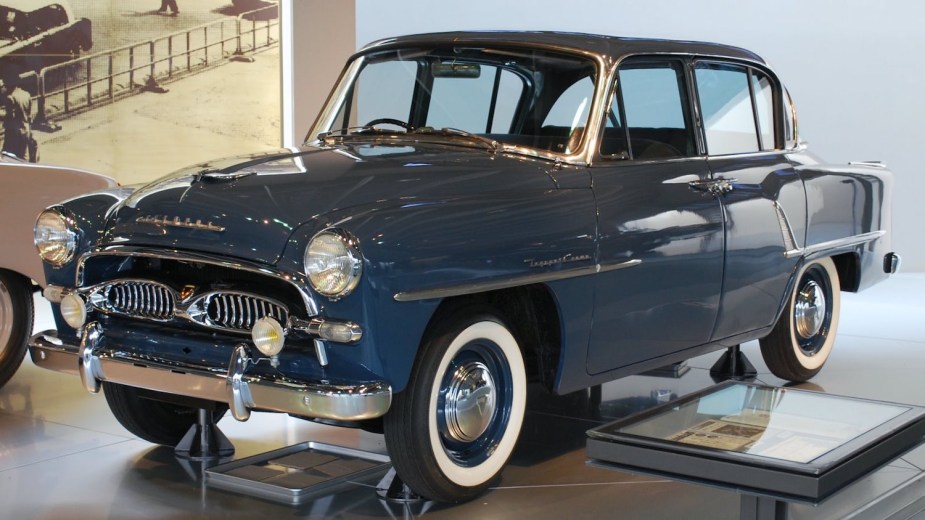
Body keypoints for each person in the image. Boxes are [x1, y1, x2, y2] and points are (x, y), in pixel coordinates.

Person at [0, 74, 37, 162]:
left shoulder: (10, 98)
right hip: (26, 129)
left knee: (6, 156)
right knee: (23, 155)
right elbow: (29, 115)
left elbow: (10, 116)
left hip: (14, 131)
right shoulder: (26, 94)